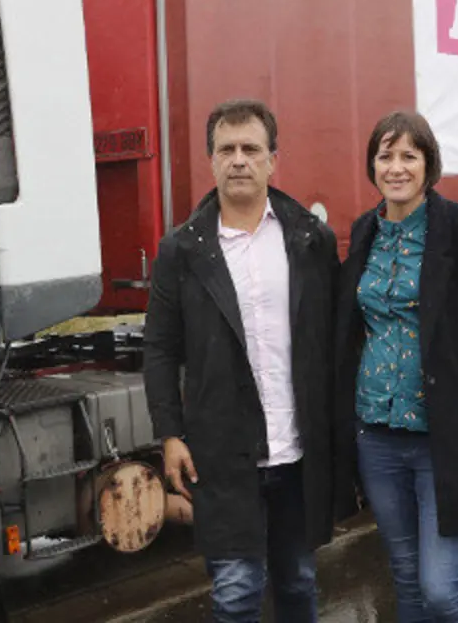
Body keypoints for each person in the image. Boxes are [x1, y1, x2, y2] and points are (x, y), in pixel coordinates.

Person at [143, 99, 347, 623]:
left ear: (272, 159)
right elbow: (161, 349)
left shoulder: (309, 240)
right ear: (211, 161)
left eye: (251, 149)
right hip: (222, 451)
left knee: (299, 582)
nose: (239, 160)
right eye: (226, 149)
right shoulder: (182, 251)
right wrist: (169, 434)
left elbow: (335, 340)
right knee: (236, 593)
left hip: (295, 451)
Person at [333, 110, 458, 622]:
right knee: (408, 584)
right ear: (372, 165)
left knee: (442, 590)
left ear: (428, 165)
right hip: (378, 437)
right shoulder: (364, 230)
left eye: (408, 156)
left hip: (443, 437)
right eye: (385, 155)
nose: (396, 167)